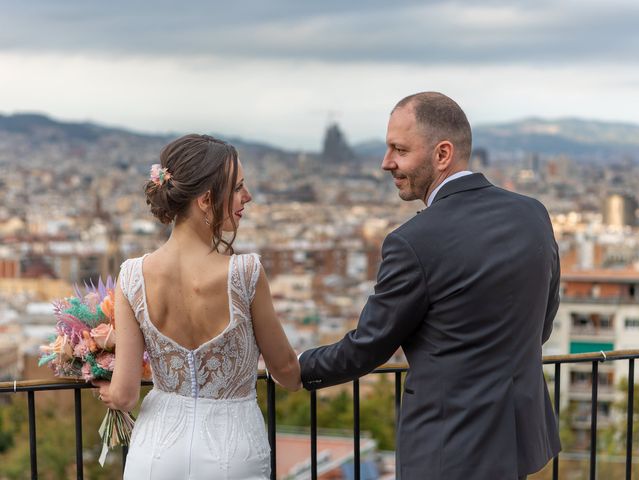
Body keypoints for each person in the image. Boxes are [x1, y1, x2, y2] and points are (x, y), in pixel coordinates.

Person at [298, 92, 560, 479]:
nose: (387, 163)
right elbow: (543, 323)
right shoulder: (532, 213)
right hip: (519, 440)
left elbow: (367, 348)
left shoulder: (413, 241)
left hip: (449, 448)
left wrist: (296, 367)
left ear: (442, 154)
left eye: (399, 150)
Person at [94, 134, 300, 480]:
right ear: (206, 200)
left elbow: (125, 394)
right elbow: (288, 373)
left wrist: (105, 390)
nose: (246, 197)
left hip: (155, 451)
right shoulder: (245, 273)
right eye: (237, 189)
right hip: (232, 451)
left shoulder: (132, 275)